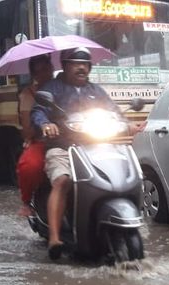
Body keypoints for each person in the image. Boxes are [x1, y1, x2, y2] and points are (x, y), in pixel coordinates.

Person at [31, 47, 140, 260]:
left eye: (85, 64)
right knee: (62, 180)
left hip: (97, 147)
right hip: (63, 146)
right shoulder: (53, 88)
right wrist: (45, 123)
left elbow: (114, 113)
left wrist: (128, 124)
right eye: (75, 63)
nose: (81, 67)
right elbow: (38, 111)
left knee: (122, 175)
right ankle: (55, 237)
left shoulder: (97, 91)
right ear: (65, 66)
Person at [15, 55, 55, 217]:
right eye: (40, 71)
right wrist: (43, 126)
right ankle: (26, 202)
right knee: (29, 166)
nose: (46, 74)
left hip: (72, 139)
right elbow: (27, 129)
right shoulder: (28, 95)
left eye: (48, 69)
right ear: (34, 75)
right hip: (43, 141)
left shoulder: (63, 86)